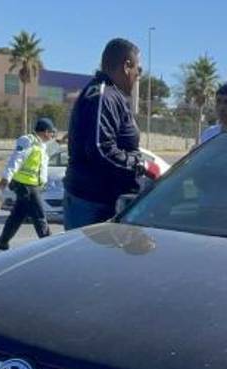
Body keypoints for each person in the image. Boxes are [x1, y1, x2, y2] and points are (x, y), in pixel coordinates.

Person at [62, 37, 156, 230]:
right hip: (93, 204)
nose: (138, 75)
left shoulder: (111, 95)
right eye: (138, 69)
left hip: (101, 201)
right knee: (90, 260)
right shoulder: (103, 96)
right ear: (127, 65)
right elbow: (101, 150)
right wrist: (141, 165)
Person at [0, 117, 57, 251]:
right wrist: (6, 177)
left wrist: (43, 183)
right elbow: (16, 159)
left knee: (17, 216)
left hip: (32, 185)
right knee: (39, 215)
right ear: (46, 131)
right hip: (25, 186)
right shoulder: (28, 141)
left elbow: (41, 167)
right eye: (51, 132)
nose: (52, 136)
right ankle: (49, 246)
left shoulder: (42, 145)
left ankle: (2, 242)